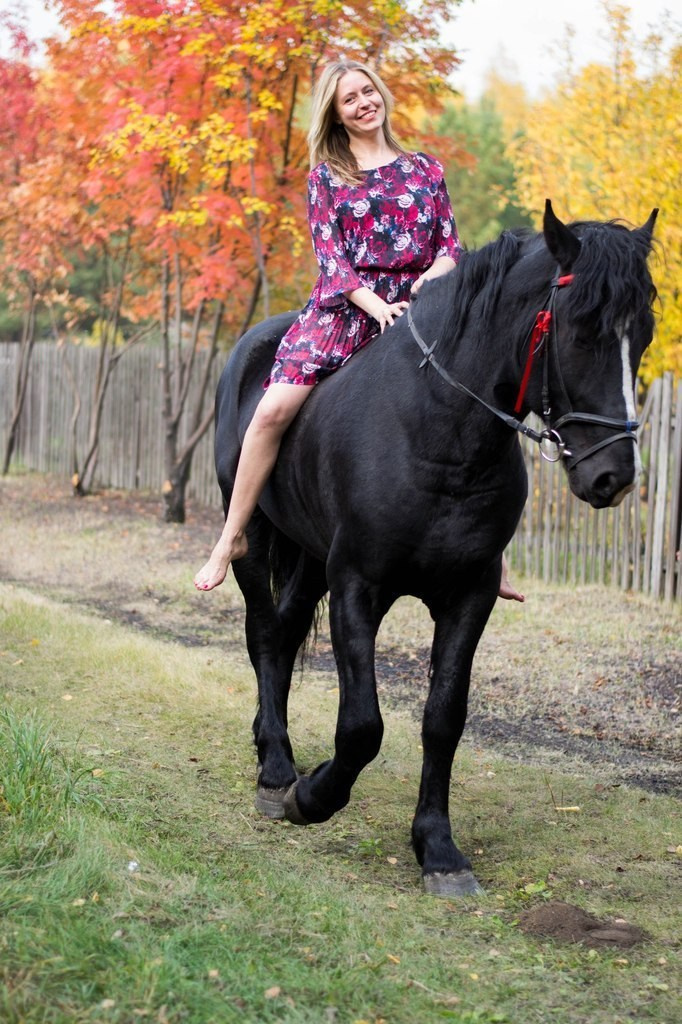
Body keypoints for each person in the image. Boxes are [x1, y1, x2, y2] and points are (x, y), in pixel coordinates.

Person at [194, 59, 524, 603]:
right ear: (336, 114)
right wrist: (378, 308)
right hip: (348, 311)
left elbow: (449, 246)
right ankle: (231, 537)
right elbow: (333, 262)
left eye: (367, 91)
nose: (363, 103)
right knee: (271, 411)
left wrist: (430, 282)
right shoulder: (327, 177)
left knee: (475, 406)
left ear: (381, 94)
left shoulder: (425, 169)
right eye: (349, 99)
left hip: (423, 310)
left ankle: (493, 556)